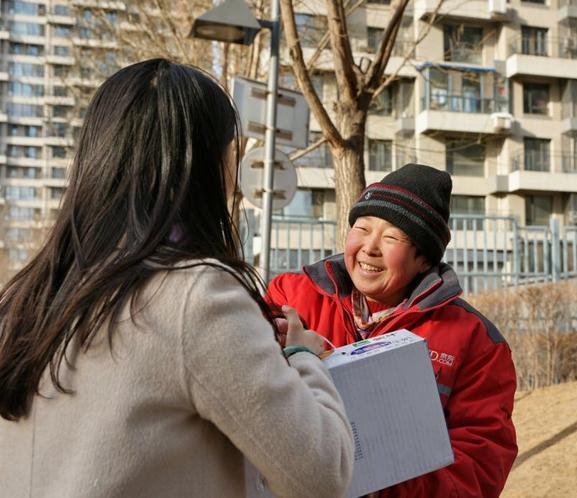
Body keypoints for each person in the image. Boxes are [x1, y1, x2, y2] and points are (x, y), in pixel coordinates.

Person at [0, 59, 353, 498]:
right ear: (206, 165)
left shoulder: (29, 296)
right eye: (233, 152)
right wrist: (304, 356)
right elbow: (320, 474)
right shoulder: (196, 295)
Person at [267, 163, 518, 498]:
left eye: (391, 237)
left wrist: (382, 484)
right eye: (363, 228)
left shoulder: (477, 342)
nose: (370, 247)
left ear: (424, 260)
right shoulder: (291, 297)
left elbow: (479, 468)